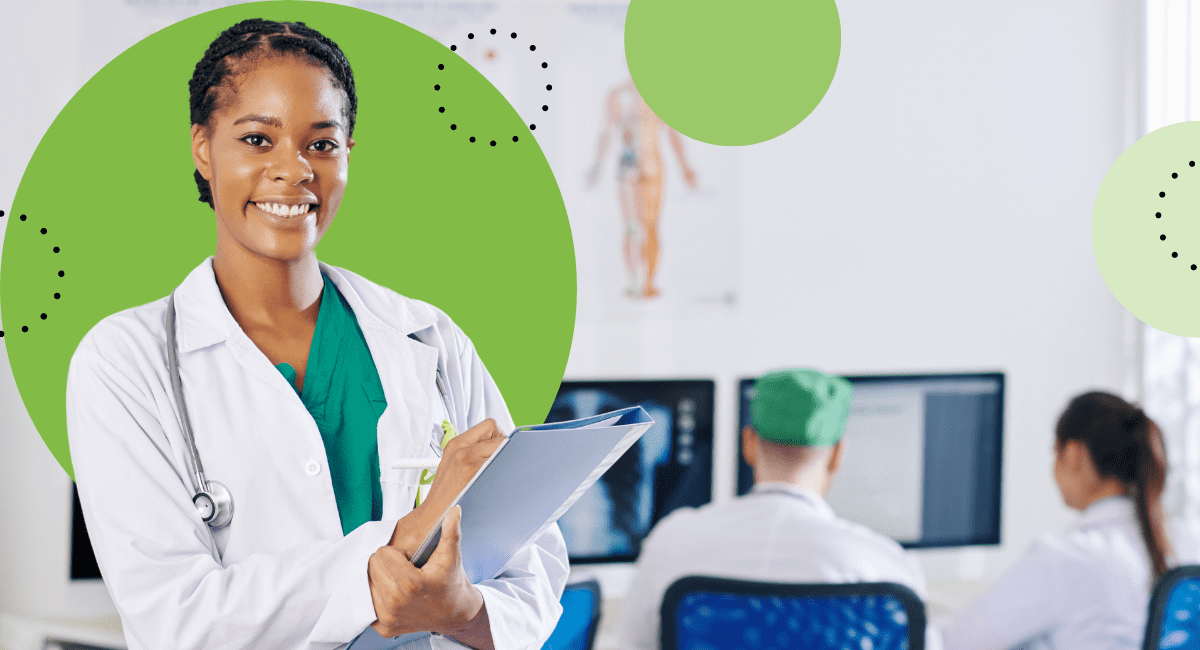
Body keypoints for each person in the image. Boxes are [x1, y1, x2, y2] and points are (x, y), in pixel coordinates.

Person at [65, 18, 568, 650]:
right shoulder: (125, 361)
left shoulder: (429, 339)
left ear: (349, 154)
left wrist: (462, 609)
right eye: (256, 139)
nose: (293, 170)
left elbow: (534, 573)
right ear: (202, 148)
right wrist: (402, 546)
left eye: (321, 145)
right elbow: (175, 619)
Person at [617, 368, 935, 650]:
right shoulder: (883, 564)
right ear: (838, 454)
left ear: (749, 444)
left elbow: (634, 644)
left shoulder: (674, 539)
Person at [941, 391, 1172, 650]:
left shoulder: (1067, 557)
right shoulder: (1180, 547)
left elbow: (954, 642)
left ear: (1072, 454)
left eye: (1055, 453)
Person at [584, 79, 698, 299]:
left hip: (652, 167)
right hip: (629, 167)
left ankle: (648, 282)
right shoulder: (618, 95)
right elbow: (607, 132)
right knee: (631, 227)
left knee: (651, 226)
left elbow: (672, 132)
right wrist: (596, 166)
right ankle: (633, 280)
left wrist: (685, 167)